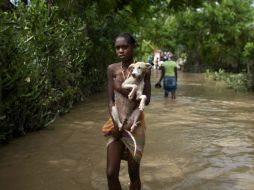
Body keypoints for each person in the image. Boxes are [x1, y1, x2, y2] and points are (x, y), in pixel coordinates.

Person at [102, 32, 151, 190]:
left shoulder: (142, 69)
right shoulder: (112, 69)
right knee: (111, 173)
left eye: (125, 47)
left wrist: (120, 88)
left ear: (133, 47)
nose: (121, 50)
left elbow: (147, 100)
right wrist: (116, 126)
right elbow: (110, 101)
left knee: (134, 173)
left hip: (135, 125)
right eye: (118, 48)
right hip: (116, 122)